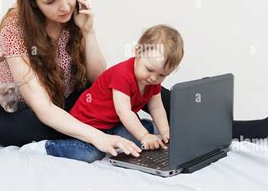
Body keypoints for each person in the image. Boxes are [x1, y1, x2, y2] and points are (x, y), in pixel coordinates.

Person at [0, 0, 268, 163]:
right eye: (51, 1)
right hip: (29, 112)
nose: (65, 6)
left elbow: (100, 80)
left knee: (143, 82)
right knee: (19, 126)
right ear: (33, 4)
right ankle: (80, 135)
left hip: (71, 102)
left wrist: (88, 32)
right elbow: (43, 108)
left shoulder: (73, 17)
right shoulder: (16, 29)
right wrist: (98, 138)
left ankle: (226, 127)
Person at [21, 24, 183, 162]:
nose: (154, 77)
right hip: (89, 123)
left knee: (145, 132)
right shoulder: (122, 75)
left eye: (162, 75)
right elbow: (124, 112)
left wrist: (166, 133)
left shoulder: (152, 81)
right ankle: (48, 147)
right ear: (138, 52)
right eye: (149, 69)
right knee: (92, 154)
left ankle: (134, 134)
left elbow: (157, 108)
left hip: (112, 123)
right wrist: (144, 136)